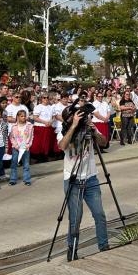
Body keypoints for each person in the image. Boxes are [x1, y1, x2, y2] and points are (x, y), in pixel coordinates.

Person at [57, 105, 109, 261]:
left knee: (99, 214)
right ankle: (72, 250)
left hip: (91, 178)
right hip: (72, 179)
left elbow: (103, 142)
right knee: (75, 217)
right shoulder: (62, 129)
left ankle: (104, 246)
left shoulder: (88, 128)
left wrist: (93, 129)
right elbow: (62, 146)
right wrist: (73, 125)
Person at [9, 110, 33, 186]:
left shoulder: (30, 125)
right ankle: (13, 179)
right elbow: (12, 137)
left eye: (24, 116)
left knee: (26, 164)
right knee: (14, 163)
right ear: (18, 117)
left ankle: (27, 179)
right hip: (16, 148)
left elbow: (31, 137)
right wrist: (16, 146)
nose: (23, 117)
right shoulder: (14, 126)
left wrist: (28, 145)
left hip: (25, 147)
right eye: (21, 116)